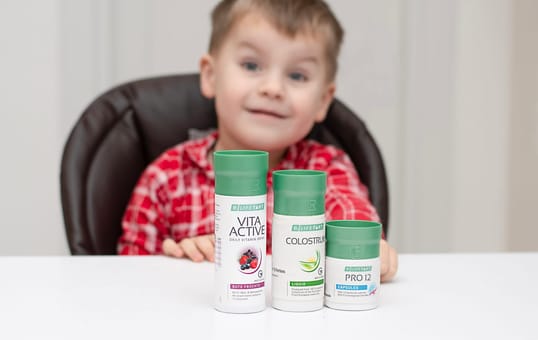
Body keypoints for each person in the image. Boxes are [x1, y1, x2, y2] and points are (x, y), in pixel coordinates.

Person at [118, 0, 398, 282]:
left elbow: (351, 216)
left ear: (323, 101)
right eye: (251, 65)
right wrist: (175, 262)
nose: (273, 88)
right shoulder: (166, 177)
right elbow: (129, 278)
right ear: (211, 76)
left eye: (297, 75)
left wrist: (357, 246)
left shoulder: (325, 168)